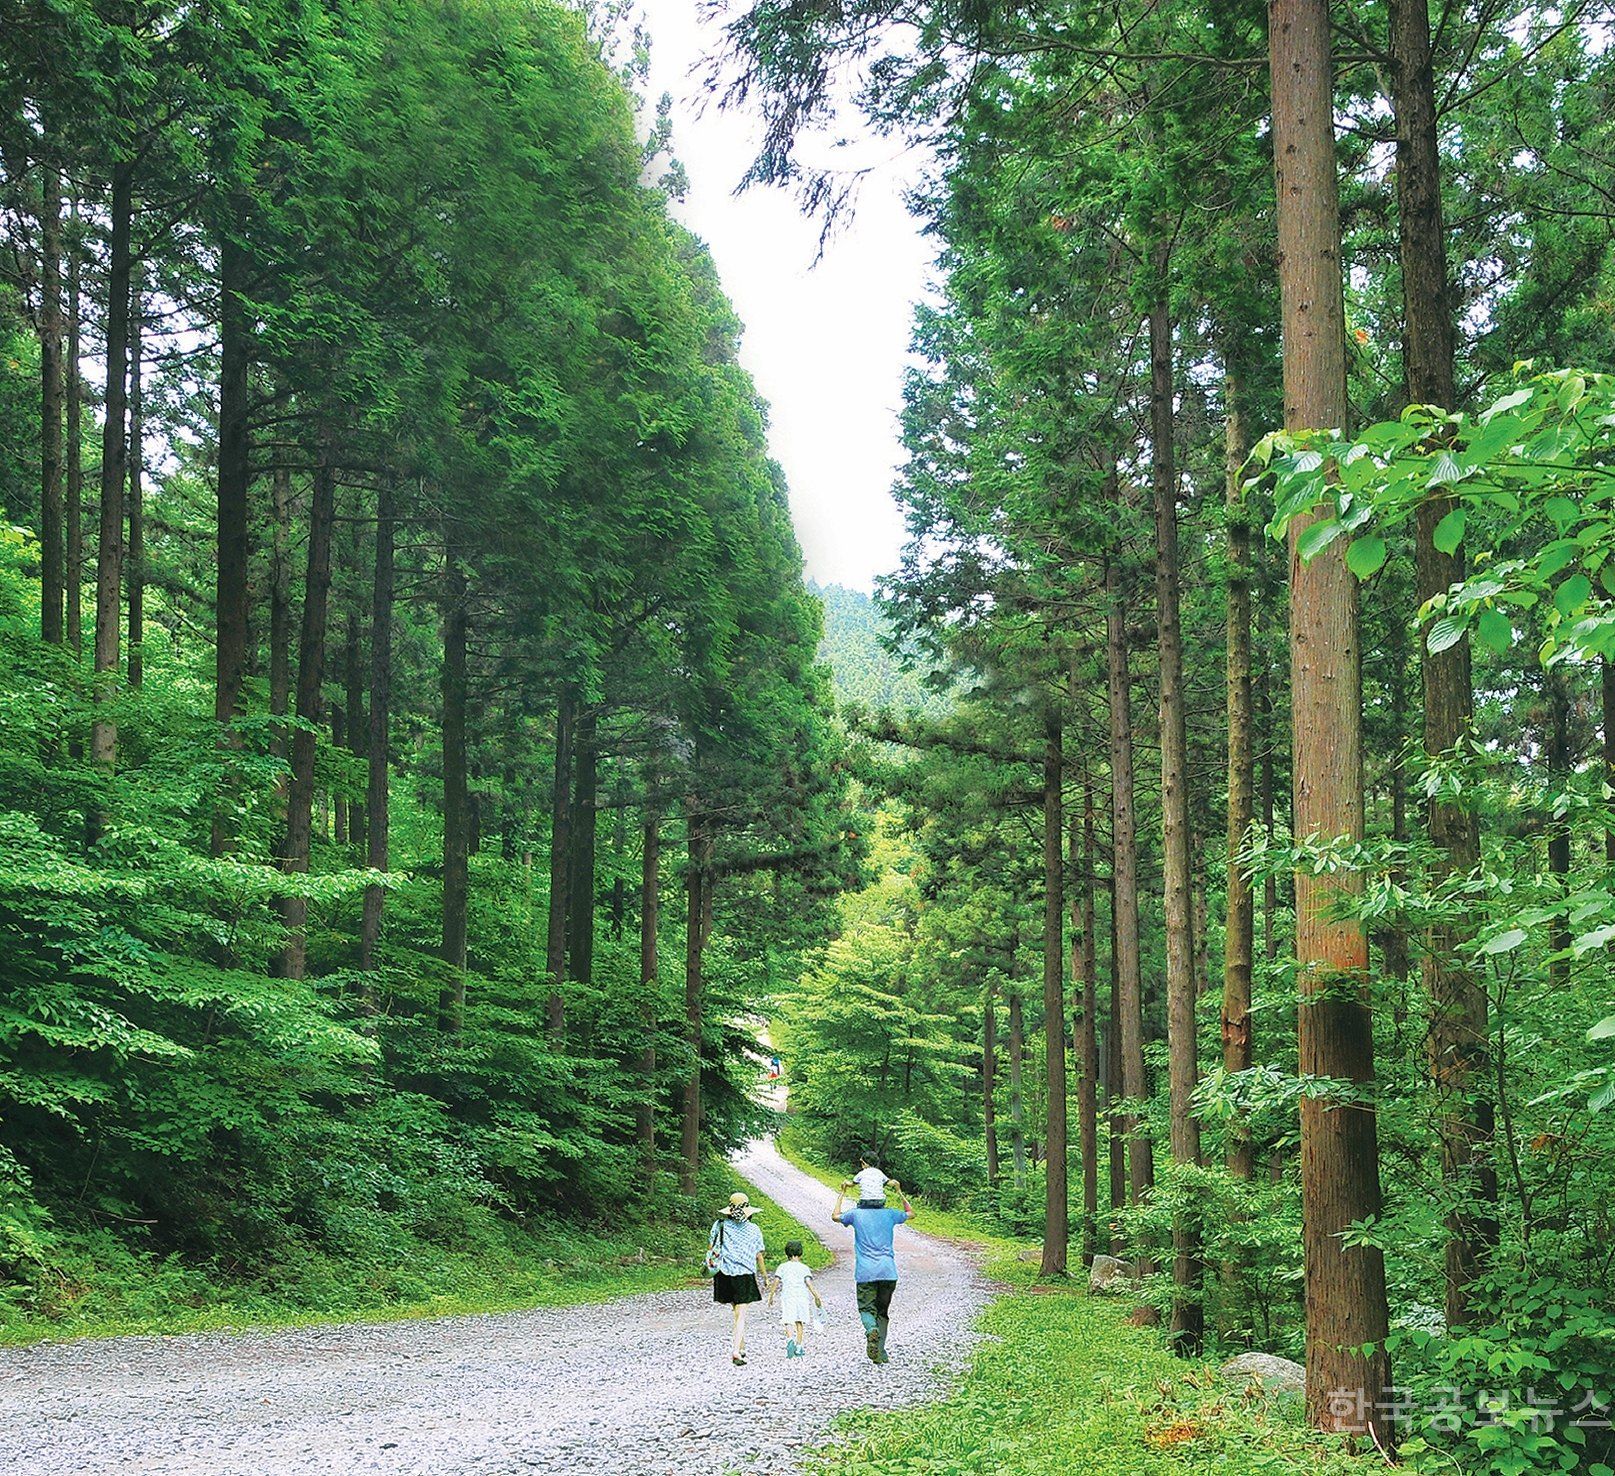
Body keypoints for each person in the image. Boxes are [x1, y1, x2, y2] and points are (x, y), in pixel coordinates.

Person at [830, 1176, 913, 1363]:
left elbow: (835, 1216)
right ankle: (880, 1353)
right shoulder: (890, 1214)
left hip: (865, 1273)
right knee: (882, 1313)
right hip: (888, 1272)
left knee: (867, 1309)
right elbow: (911, 1213)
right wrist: (899, 1191)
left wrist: (842, 1192)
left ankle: (871, 1330)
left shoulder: (855, 1215)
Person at [707, 1192, 768, 1366]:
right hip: (744, 1274)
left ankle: (742, 1347)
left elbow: (711, 1248)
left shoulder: (719, 1225)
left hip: (724, 1274)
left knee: (736, 1312)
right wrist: (764, 1276)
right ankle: (735, 1351)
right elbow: (758, 1254)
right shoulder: (754, 1229)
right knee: (741, 1314)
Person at [768, 1239, 822, 1358]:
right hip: (802, 1297)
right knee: (799, 1321)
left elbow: (776, 1282)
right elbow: (808, 1283)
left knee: (788, 1319)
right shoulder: (804, 1268)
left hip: (788, 1296)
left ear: (787, 1253)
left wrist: (771, 1296)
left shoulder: (782, 1267)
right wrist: (817, 1296)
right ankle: (799, 1347)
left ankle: (789, 1339)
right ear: (800, 1252)